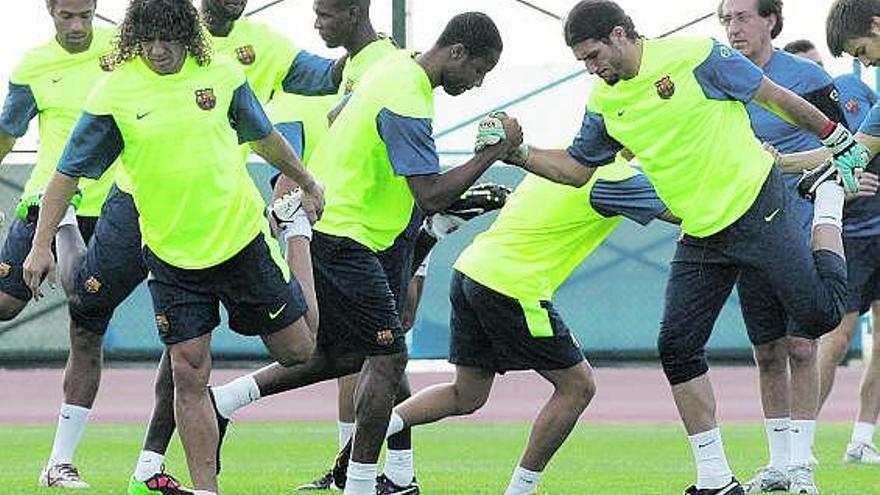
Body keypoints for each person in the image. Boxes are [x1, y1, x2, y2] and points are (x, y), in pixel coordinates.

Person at [492, 0, 868, 493]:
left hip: (758, 204)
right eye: (583, 61)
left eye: (594, 54)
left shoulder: (696, 55)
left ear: (620, 34)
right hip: (702, 231)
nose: (591, 67)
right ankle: (714, 479)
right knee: (677, 345)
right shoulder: (604, 103)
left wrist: (836, 138)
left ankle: (826, 203)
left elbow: (773, 95)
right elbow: (577, 169)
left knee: (817, 322)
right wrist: (517, 152)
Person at [203, 12, 519, 495]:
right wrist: (490, 155)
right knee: (389, 357)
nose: (478, 84)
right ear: (457, 52)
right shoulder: (408, 94)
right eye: (480, 70)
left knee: (347, 355)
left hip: (352, 232)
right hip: (346, 238)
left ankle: (226, 400)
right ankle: (362, 483)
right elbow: (430, 195)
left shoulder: (393, 70)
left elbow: (337, 116)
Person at [22, 0, 325, 493]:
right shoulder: (114, 92)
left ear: (188, 35)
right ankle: (206, 489)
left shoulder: (221, 74)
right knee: (189, 372)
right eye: (148, 40)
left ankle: (295, 235)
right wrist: (39, 246)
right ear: (134, 38)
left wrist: (306, 182)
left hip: (240, 240)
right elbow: (66, 172)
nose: (159, 51)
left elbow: (264, 136)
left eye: (169, 40)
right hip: (170, 258)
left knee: (301, 350)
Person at [372, 153, 670, 495]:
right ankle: (520, 491)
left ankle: (372, 430)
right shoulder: (614, 177)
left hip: (470, 271)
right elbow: (683, 214)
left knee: (466, 395)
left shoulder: (561, 158)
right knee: (578, 385)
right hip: (512, 287)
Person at [718, 0, 849, 491]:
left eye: (744, 17)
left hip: (803, 227)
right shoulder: (715, 77)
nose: (734, 28)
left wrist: (788, 166)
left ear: (771, 20)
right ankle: (777, 465)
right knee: (767, 351)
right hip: (746, 230)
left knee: (801, 344)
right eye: (727, 19)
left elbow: (849, 146)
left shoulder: (806, 78)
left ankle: (802, 465)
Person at [0, 0, 121, 487]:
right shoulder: (34, 65)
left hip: (107, 212)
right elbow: (6, 136)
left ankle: (58, 462)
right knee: (5, 307)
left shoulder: (123, 53)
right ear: (50, 11)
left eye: (84, 15)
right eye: (65, 16)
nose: (76, 26)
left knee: (86, 328)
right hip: (43, 204)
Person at [776, 0, 880, 466]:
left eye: (863, 49)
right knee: (835, 338)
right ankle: (804, 444)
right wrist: (781, 163)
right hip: (853, 234)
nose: (865, 63)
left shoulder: (860, 92)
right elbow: (854, 155)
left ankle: (858, 438)